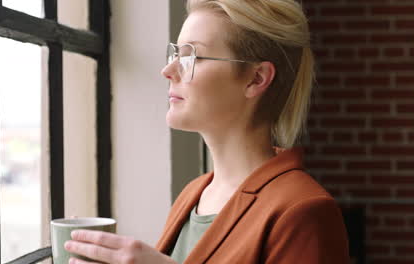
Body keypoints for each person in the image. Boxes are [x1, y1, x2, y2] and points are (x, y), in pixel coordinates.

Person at [64, 0, 350, 263]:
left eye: (191, 56)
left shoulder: (303, 210)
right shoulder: (193, 195)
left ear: (256, 78)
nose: (168, 69)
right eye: (175, 52)